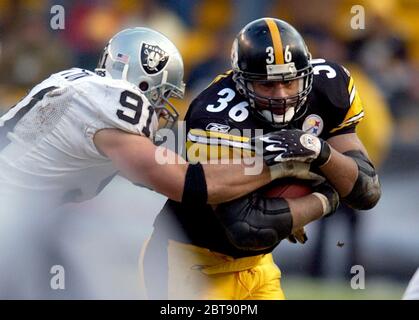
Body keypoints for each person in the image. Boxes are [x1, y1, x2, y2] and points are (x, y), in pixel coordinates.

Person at [0, 27, 301, 298]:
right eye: (163, 96)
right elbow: (188, 183)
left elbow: (178, 168)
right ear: (144, 85)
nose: (162, 110)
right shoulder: (114, 103)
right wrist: (277, 160)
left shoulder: (82, 87)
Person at [141, 18, 381, 300]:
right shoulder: (216, 115)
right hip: (189, 261)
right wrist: (327, 198)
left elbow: (366, 190)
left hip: (258, 265)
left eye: (290, 82)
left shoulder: (329, 85)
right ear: (241, 82)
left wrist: (319, 150)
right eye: (266, 85)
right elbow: (248, 227)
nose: (281, 95)